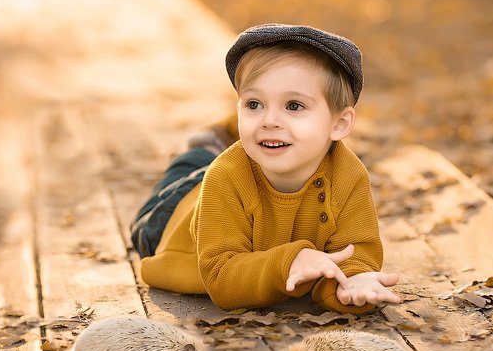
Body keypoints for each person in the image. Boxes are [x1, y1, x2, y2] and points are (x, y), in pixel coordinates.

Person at [130, 23, 401, 314]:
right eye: (254, 104)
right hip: (175, 216)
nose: (270, 119)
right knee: (191, 168)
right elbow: (222, 278)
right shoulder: (225, 176)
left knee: (228, 157)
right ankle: (208, 143)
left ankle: (219, 139)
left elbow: (354, 251)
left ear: (339, 124)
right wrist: (291, 262)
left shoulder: (348, 174)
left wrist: (351, 282)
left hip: (243, 171)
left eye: (294, 106)